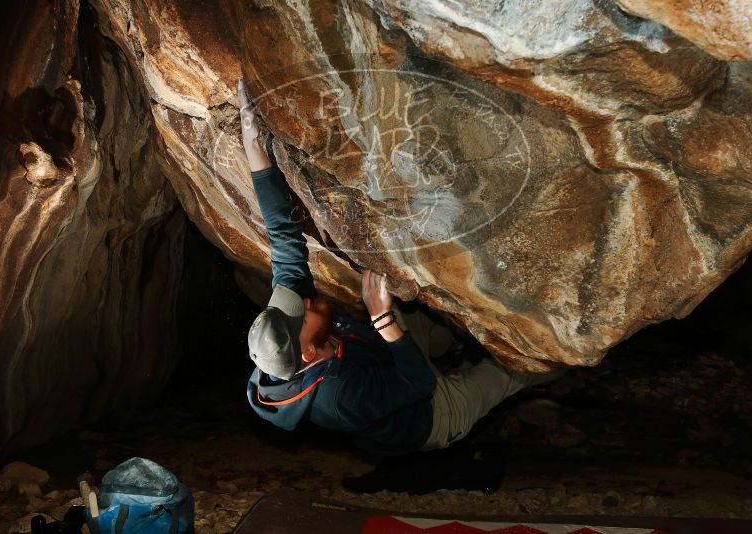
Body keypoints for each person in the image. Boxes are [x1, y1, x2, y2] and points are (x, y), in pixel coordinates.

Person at [238, 79, 561, 455]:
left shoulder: (289, 335)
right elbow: (418, 383)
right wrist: (382, 321)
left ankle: (454, 345)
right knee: (513, 370)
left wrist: (253, 148)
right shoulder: (342, 400)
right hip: (429, 413)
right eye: (302, 314)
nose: (304, 303)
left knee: (427, 324)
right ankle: (575, 372)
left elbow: (283, 237)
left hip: (383, 352)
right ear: (309, 354)